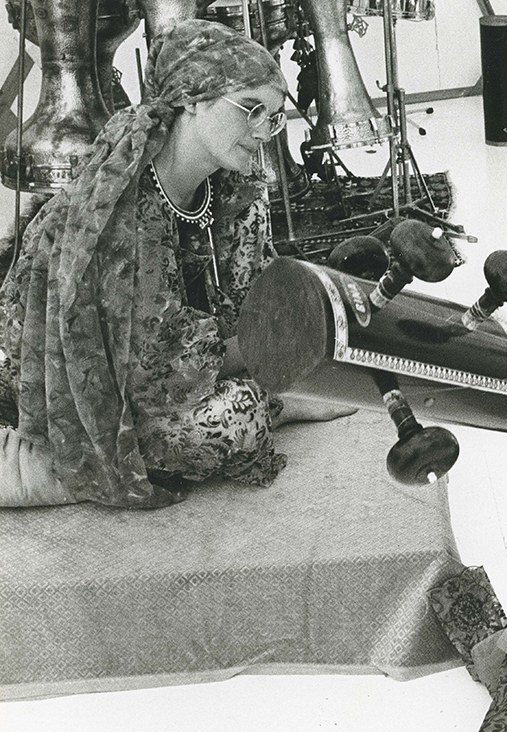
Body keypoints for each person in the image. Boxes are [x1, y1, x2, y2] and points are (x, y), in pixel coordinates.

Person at [0, 20, 347, 509]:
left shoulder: (236, 189)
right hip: (87, 379)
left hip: (171, 366)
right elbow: (155, 364)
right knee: (234, 420)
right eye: (251, 110)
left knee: (286, 375)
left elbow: (256, 291)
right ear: (193, 98)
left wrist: (290, 323)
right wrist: (275, 350)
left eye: (271, 116)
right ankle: (47, 462)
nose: (264, 133)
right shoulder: (122, 204)